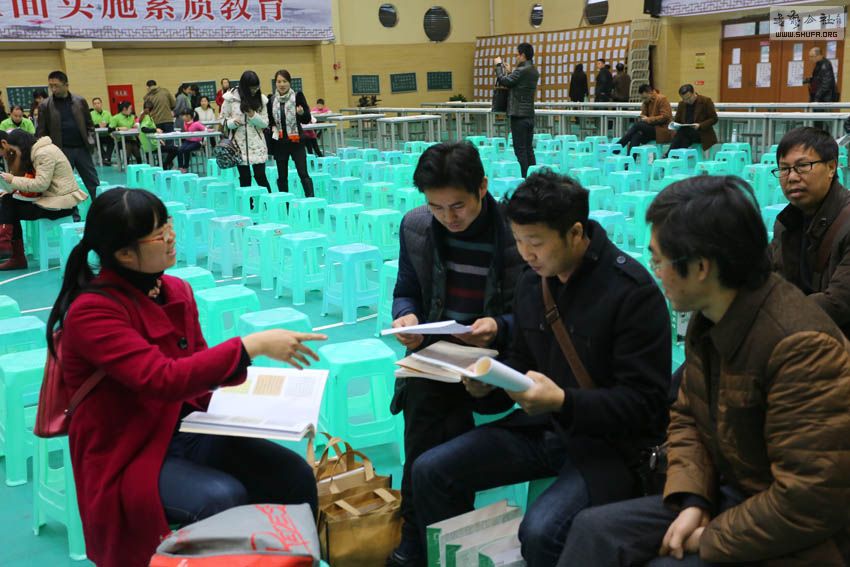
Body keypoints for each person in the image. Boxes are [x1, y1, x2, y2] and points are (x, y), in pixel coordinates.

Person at [559, 174, 850, 567]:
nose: (655, 271)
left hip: (803, 531)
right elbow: (687, 415)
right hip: (734, 493)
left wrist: (710, 538)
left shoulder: (801, 348)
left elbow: (809, 501)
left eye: (659, 260)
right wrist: (693, 498)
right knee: (594, 531)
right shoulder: (713, 316)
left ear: (700, 267)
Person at [49, 188, 326, 567]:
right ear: (124, 254)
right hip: (129, 450)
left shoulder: (175, 290)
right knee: (220, 497)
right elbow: (161, 378)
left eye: (168, 225)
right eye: (157, 234)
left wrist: (274, 411)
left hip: (188, 429)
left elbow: (196, 365)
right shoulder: (92, 312)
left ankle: (300, 559)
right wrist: (251, 346)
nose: (170, 237)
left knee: (293, 474)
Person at [410, 170, 671, 567]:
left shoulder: (631, 293)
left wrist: (563, 401)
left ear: (575, 233)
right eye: (518, 241)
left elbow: (644, 406)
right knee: (431, 469)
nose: (525, 254)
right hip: (544, 429)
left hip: (609, 447)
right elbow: (521, 359)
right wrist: (488, 385)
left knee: (542, 530)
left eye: (535, 243)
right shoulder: (534, 283)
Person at [386, 142, 525, 567]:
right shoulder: (417, 227)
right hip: (439, 358)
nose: (449, 217)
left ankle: (431, 537)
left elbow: (536, 313)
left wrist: (500, 326)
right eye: (437, 207)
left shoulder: (516, 234)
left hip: (501, 360)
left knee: (440, 428)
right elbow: (406, 289)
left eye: (458, 206)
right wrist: (407, 317)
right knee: (424, 408)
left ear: (482, 187)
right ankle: (427, 534)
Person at [768, 126, 850, 336]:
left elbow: (839, 302)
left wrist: (771, 315)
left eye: (802, 166)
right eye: (784, 169)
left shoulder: (846, 223)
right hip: (800, 334)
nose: (792, 177)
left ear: (831, 167)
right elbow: (767, 276)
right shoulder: (786, 222)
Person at [0, 129, 87, 270]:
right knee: (8, 200)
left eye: (13, 152)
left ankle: (10, 250)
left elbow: (41, 184)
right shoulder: (38, 151)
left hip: (60, 206)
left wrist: (13, 180)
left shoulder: (43, 153)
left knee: (9, 204)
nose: (12, 155)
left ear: (20, 147)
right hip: (52, 200)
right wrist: (13, 188)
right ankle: (8, 248)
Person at [36, 70, 100, 199]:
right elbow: (41, 132)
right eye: (51, 86)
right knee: (63, 187)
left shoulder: (80, 101)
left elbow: (89, 125)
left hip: (82, 149)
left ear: (66, 85)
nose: (53, 89)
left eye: (56, 86)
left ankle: (101, 207)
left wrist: (90, 141)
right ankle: (71, 211)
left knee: (93, 182)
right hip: (60, 151)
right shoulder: (45, 105)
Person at [495, 42, 540, 178]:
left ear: (523, 55)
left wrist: (498, 66)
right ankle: (533, 177)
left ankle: (525, 178)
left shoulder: (521, 71)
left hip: (518, 116)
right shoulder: (533, 71)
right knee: (528, 149)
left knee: (520, 150)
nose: (516, 57)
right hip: (529, 115)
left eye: (517, 55)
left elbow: (504, 81)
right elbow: (517, 84)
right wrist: (510, 72)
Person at [221, 70, 271, 192]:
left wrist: (253, 115)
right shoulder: (230, 98)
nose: (254, 91)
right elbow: (222, 120)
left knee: (260, 176)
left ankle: (266, 200)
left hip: (257, 144)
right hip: (238, 145)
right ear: (244, 86)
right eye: (251, 88)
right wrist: (232, 123)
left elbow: (265, 123)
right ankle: (248, 202)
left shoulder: (261, 99)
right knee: (244, 178)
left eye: (256, 87)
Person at [267, 69, 315, 197]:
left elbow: (306, 119)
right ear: (275, 83)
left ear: (289, 82)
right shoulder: (272, 100)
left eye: (284, 81)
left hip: (296, 141)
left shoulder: (297, 96)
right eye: (279, 82)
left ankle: (311, 199)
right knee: (282, 176)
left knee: (303, 173)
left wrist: (302, 113)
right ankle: (285, 203)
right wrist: (272, 126)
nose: (282, 84)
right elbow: (270, 120)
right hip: (280, 142)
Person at [665, 84, 717, 157]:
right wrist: (675, 125)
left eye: (689, 98)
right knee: (683, 136)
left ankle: (670, 155)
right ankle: (677, 157)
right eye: (684, 99)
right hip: (686, 133)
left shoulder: (705, 101)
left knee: (682, 134)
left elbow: (714, 118)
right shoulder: (682, 104)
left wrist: (700, 125)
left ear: (694, 93)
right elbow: (677, 120)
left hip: (702, 133)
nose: (687, 101)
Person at [617, 84, 672, 153]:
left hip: (662, 130)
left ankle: (620, 145)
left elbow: (665, 117)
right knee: (636, 135)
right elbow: (644, 116)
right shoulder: (646, 102)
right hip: (652, 129)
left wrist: (648, 119)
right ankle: (630, 158)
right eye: (642, 98)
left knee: (638, 125)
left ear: (650, 93)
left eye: (645, 98)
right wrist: (643, 116)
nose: (643, 100)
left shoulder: (662, 99)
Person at [90, 97, 114, 165]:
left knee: (112, 141)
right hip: (97, 136)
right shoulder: (90, 114)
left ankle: (106, 158)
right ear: (93, 105)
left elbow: (112, 123)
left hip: (106, 135)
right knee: (97, 142)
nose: (97, 105)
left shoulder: (107, 113)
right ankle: (106, 158)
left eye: (98, 103)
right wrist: (98, 125)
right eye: (95, 104)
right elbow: (89, 125)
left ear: (101, 104)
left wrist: (106, 125)